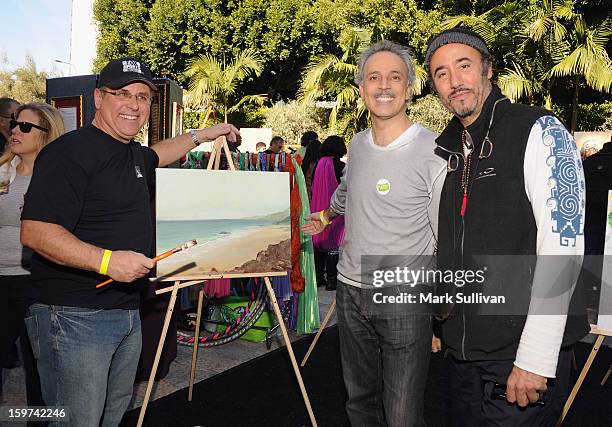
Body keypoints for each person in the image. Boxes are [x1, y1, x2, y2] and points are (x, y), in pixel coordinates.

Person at [20, 57, 240, 426]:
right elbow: (37, 232)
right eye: (122, 94)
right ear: (98, 98)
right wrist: (107, 262)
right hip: (74, 316)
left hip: (125, 311)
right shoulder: (68, 153)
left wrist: (207, 133)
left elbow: (161, 153)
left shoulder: (131, 153)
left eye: (142, 96)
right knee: (77, 419)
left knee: (112, 413)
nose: (134, 105)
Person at [426, 28, 589, 426]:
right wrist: (439, 317)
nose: (454, 81)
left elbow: (562, 247)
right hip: (463, 355)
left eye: (464, 66)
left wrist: (536, 356)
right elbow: (446, 244)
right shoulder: (447, 152)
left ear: (488, 71)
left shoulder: (539, 130)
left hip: (520, 358)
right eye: (441, 73)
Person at [303, 41, 446, 426]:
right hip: (349, 291)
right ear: (362, 87)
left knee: (401, 413)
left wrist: (439, 311)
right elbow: (349, 190)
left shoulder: (434, 150)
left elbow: (444, 233)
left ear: (411, 87)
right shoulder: (358, 144)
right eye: (374, 77)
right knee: (359, 403)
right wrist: (325, 215)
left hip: (404, 292)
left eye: (394, 77)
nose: (384, 86)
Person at [0, 102, 64, 411]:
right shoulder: (2, 172)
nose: (15, 130)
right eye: (15, 123)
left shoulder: (58, 180)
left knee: (40, 372)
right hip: (0, 281)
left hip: (36, 284)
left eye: (25, 126)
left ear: (46, 134)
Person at [310, 135, 346, 291]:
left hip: (318, 205)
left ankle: (318, 277)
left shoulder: (318, 164)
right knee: (333, 242)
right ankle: (332, 280)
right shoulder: (340, 166)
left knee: (319, 241)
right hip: (333, 209)